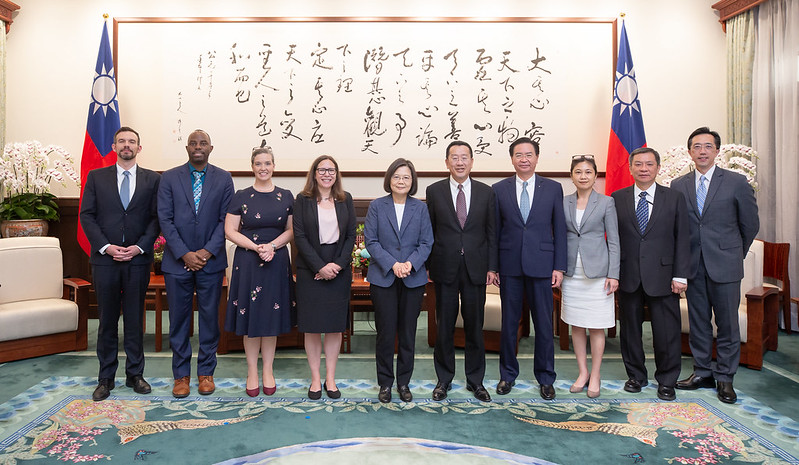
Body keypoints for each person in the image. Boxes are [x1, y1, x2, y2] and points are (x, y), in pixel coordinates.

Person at [672, 127, 759, 404]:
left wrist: (734, 253)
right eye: (697, 147)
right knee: (699, 323)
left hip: (726, 265)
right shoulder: (678, 185)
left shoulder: (736, 182)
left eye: (708, 146)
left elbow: (750, 224)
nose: (702, 151)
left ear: (717, 151)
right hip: (693, 266)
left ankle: (725, 377)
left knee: (727, 324)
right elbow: (678, 228)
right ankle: (702, 372)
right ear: (689, 152)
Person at [80, 127, 160, 402]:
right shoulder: (96, 177)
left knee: (135, 320)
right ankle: (106, 378)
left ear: (139, 148)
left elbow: (156, 218)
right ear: (114, 147)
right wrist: (106, 246)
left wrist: (140, 247)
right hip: (105, 260)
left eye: (132, 141)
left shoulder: (153, 179)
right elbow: (87, 216)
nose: (127, 145)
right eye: (122, 141)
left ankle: (135, 374)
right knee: (107, 320)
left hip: (138, 260)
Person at [158, 129, 234, 398]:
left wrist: (205, 252)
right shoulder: (169, 178)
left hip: (210, 263)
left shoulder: (224, 178)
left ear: (211, 148)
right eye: (193, 143)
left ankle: (206, 373)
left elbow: (225, 220)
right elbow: (164, 219)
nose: (198, 147)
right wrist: (184, 254)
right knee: (178, 321)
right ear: (187, 148)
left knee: (210, 320)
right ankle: (181, 376)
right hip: (177, 262)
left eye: (203, 143)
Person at [611, 147, 691, 401]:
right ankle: (636, 376)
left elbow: (683, 238)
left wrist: (681, 275)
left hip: (664, 275)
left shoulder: (674, 197)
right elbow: (613, 239)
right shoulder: (617, 197)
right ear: (630, 168)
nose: (643, 169)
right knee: (630, 331)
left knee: (667, 332)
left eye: (649, 164)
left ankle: (667, 380)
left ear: (658, 167)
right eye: (638, 164)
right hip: (628, 275)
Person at [493, 137, 567, 400]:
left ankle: (546, 378)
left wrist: (559, 266)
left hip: (543, 265)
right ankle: (507, 375)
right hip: (509, 265)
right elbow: (495, 231)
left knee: (544, 325)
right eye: (518, 155)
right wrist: (493, 267)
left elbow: (560, 229)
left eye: (528, 155)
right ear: (512, 159)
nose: (524, 159)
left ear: (536, 157)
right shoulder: (498, 189)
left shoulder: (553, 188)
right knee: (509, 324)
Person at [426, 141, 497, 402]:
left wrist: (492, 267)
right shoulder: (434, 191)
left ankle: (475, 380)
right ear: (447, 162)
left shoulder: (486, 192)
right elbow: (429, 231)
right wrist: (428, 266)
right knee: (444, 326)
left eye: (464, 157)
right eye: (454, 157)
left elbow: (492, 233)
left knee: (474, 327)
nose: (459, 162)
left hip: (476, 268)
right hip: (444, 267)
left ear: (472, 162)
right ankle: (443, 379)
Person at [224, 146, 294, 397]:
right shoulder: (241, 195)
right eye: (258, 163)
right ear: (252, 167)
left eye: (267, 163)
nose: (263, 168)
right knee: (251, 317)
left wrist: (272, 246)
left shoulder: (286, 196)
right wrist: (256, 248)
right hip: (248, 261)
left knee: (270, 318)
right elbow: (230, 230)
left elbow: (291, 230)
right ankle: (252, 371)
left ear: (274, 166)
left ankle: (268, 371)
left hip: (276, 261)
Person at [365, 158, 433, 403]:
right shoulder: (377, 206)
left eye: (406, 177)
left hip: (413, 278)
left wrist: (409, 264)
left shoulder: (420, 208)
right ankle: (385, 383)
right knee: (385, 333)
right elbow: (371, 241)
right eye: (396, 176)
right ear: (389, 179)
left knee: (408, 333)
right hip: (383, 277)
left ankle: (404, 382)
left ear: (412, 181)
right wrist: (393, 264)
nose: (401, 181)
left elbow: (426, 242)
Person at [293, 155, 356, 400]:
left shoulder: (345, 199)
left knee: (334, 327)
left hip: (338, 268)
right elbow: (299, 236)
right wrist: (319, 267)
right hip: (310, 269)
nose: (327, 174)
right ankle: (315, 379)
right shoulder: (303, 199)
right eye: (322, 170)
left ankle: (330, 378)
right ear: (314, 173)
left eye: (331, 170)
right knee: (312, 327)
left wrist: (337, 265)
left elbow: (350, 236)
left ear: (336, 174)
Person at [561, 154, 620, 399]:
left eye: (588, 172)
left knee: (596, 326)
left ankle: (595, 374)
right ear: (571, 176)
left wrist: (614, 274)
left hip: (598, 274)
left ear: (595, 176)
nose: (583, 176)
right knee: (576, 324)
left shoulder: (606, 202)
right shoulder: (563, 202)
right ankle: (582, 372)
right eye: (578, 172)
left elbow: (614, 241)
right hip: (571, 273)